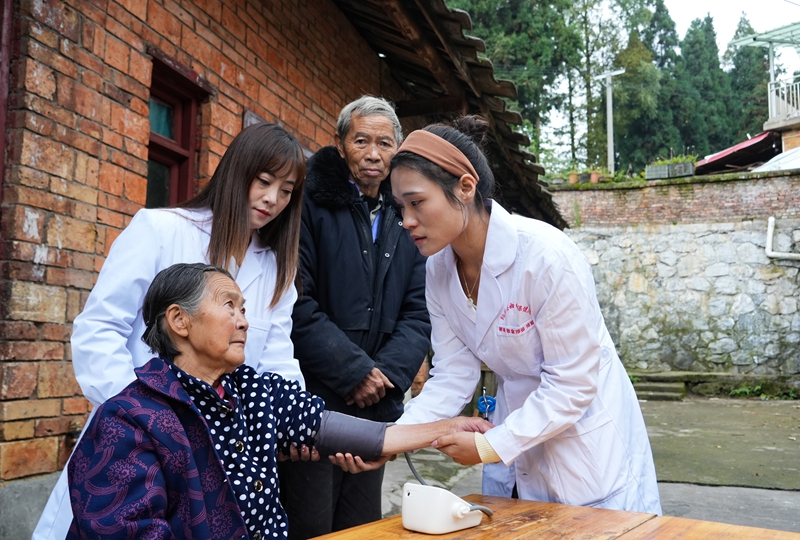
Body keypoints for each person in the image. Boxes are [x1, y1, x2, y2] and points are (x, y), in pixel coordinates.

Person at [335, 116, 662, 514]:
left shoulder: (546, 258)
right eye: (400, 206)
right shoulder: (438, 268)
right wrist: (390, 439)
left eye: (417, 202)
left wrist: (490, 445)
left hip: (585, 441)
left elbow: (573, 383)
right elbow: (454, 373)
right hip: (517, 430)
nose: (406, 221)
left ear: (465, 187)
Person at [67, 263, 491, 540]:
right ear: (180, 321)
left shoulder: (251, 389)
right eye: (229, 305)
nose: (244, 320)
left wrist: (443, 429)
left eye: (245, 308)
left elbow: (334, 428)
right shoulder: (129, 420)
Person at [34, 122, 308, 540]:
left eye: (286, 190)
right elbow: (100, 328)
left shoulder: (276, 268)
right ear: (237, 173)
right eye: (264, 181)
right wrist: (144, 423)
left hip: (224, 454)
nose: (272, 199)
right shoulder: (161, 229)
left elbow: (277, 360)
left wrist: (294, 422)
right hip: (137, 448)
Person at [279, 96, 431, 538]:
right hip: (316, 395)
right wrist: (353, 372)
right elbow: (295, 300)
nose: (373, 153)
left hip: (377, 402)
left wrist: (384, 377)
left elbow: (420, 312)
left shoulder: (408, 213)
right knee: (309, 520)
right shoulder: (310, 203)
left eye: (384, 143)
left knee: (362, 524)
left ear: (397, 149)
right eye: (360, 140)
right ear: (341, 144)